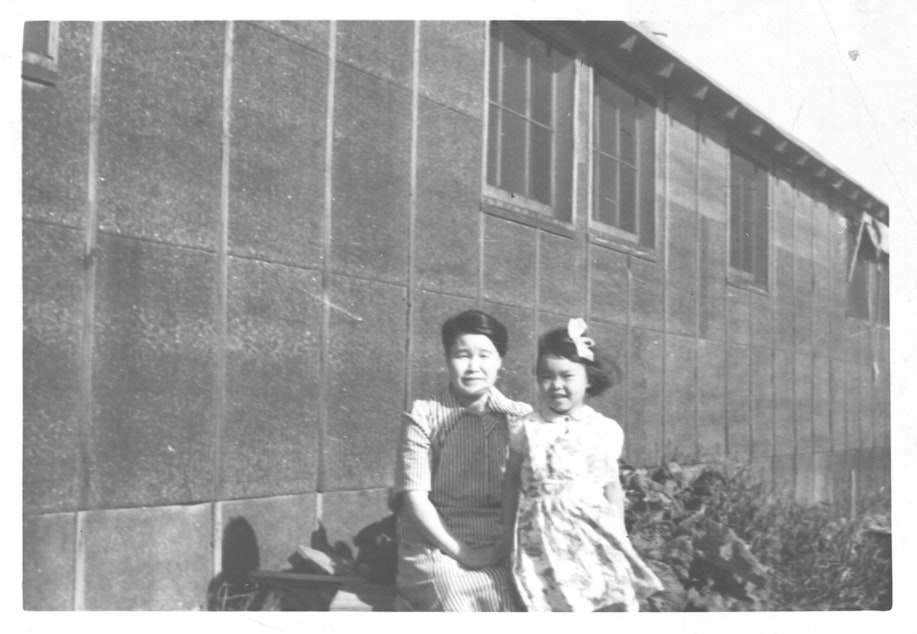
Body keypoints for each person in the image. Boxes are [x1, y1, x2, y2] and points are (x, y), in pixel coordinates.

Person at [501, 318, 663, 611]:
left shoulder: (604, 429)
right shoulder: (526, 427)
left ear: (588, 379)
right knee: (552, 604)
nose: (556, 385)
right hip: (542, 537)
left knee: (608, 600)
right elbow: (511, 483)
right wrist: (507, 538)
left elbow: (612, 486)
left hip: (592, 533)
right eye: (546, 376)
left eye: (566, 376)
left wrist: (622, 537)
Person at [393, 309, 532, 611]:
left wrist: (505, 544)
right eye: (462, 355)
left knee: (521, 591)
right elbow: (415, 499)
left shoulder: (520, 418)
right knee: (453, 591)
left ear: (500, 362)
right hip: (435, 542)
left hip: (500, 537)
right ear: (447, 359)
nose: (473, 367)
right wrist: (463, 552)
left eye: (485, 355)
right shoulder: (423, 415)